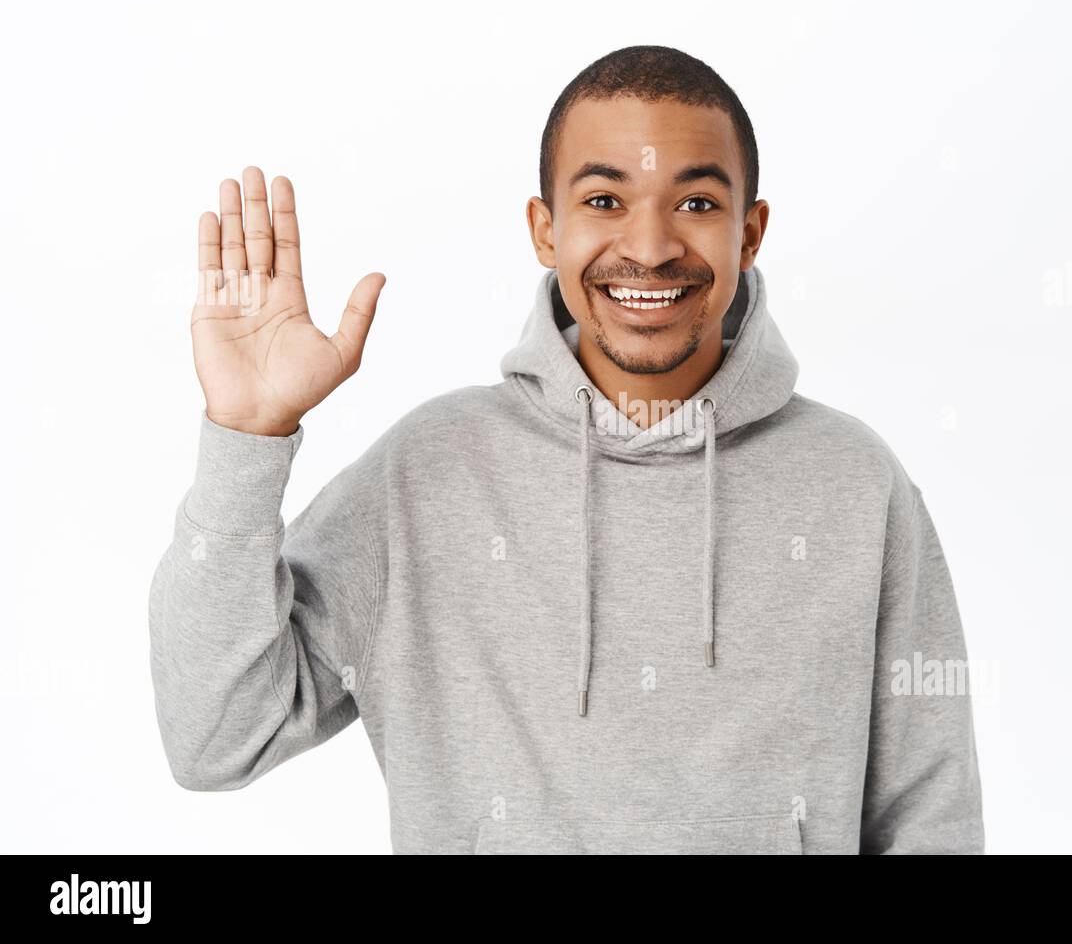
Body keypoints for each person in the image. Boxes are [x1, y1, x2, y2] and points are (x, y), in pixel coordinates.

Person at [150, 45, 985, 854]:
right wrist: (244, 439)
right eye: (604, 201)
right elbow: (217, 736)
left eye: (696, 203)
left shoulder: (855, 484)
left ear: (750, 232)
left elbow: (931, 818)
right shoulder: (427, 474)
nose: (651, 247)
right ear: (544, 230)